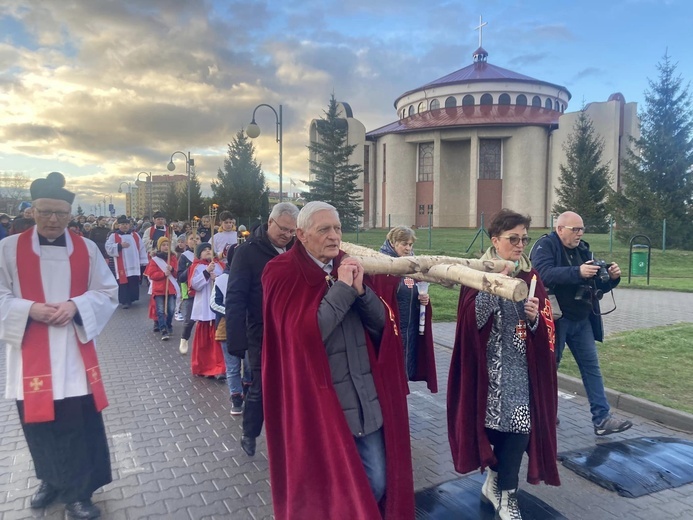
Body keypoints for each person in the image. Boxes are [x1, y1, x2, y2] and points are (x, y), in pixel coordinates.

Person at [261, 201, 414, 519]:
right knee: (332, 490)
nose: (334, 236)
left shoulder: (349, 265)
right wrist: (343, 288)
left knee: (377, 482)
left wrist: (360, 293)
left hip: (365, 399)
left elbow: (383, 327)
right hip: (320, 406)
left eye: (338, 228)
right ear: (301, 235)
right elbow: (305, 337)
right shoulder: (281, 272)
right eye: (324, 229)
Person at [0, 172, 118, 519]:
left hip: (71, 354)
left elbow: (106, 292)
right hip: (29, 353)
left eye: (61, 213)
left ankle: (79, 494)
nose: (53, 220)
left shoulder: (87, 249)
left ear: (71, 214)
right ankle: (50, 480)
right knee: (38, 425)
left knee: (76, 426)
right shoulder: (7, 249)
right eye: (45, 211)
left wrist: (75, 306)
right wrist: (29, 308)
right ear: (31, 211)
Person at [448, 208, 560, 520]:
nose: (520, 244)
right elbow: (469, 323)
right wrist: (493, 286)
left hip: (521, 374)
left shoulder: (531, 276)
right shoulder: (476, 273)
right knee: (491, 433)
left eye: (525, 238)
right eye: (514, 239)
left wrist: (536, 318)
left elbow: (547, 328)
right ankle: (493, 483)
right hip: (486, 374)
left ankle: (508, 495)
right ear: (496, 241)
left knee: (521, 429)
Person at [530, 211, 632, 436]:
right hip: (556, 319)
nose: (579, 233)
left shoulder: (584, 250)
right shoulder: (545, 246)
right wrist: (578, 272)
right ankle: (543, 415)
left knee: (591, 368)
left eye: (582, 229)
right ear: (560, 229)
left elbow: (596, 285)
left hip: (582, 318)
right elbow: (542, 274)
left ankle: (602, 419)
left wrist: (612, 278)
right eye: (575, 229)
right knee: (549, 369)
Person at [225, 202, 299, 456]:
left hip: (293, 330)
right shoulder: (247, 253)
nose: (287, 236)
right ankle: (250, 432)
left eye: (293, 232)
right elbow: (234, 297)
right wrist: (235, 340)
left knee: (294, 384)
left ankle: (290, 435)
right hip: (260, 331)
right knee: (261, 385)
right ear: (270, 223)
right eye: (284, 230)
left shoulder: (296, 250)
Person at [379, 225, 437, 392]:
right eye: (404, 244)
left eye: (410, 245)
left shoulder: (413, 265)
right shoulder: (383, 264)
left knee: (404, 375)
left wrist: (423, 299)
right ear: (393, 242)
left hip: (409, 332)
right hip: (393, 331)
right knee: (391, 378)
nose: (408, 248)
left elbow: (417, 289)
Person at [189, 242, 226, 377]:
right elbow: (194, 285)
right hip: (204, 305)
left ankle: (219, 368)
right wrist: (206, 272)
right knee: (204, 341)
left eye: (209, 249)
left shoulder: (220, 265)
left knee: (218, 338)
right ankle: (203, 367)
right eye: (204, 250)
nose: (207, 251)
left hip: (216, 303)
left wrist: (216, 278)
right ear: (199, 253)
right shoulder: (197, 267)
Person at [105, 215, 148, 309]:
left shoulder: (135, 235)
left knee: (133, 281)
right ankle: (125, 301)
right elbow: (108, 247)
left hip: (134, 263)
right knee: (123, 282)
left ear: (129, 225)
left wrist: (143, 260)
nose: (125, 226)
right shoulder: (114, 236)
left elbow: (141, 248)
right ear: (118, 225)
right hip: (122, 264)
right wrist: (119, 245)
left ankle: (132, 298)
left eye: (126, 224)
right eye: (122, 224)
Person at [143, 236, 179, 341]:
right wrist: (163, 274)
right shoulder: (154, 260)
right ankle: (163, 328)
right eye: (163, 245)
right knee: (160, 310)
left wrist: (172, 270)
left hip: (170, 288)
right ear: (159, 246)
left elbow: (177, 273)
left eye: (167, 245)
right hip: (159, 289)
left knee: (171, 309)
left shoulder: (172, 258)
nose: (166, 247)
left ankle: (168, 324)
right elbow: (152, 275)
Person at [177, 231, 200, 355]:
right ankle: (184, 339)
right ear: (187, 242)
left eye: (197, 238)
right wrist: (191, 268)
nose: (195, 241)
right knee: (189, 320)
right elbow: (180, 276)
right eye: (192, 238)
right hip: (189, 292)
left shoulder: (205, 254)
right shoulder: (184, 257)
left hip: (203, 292)